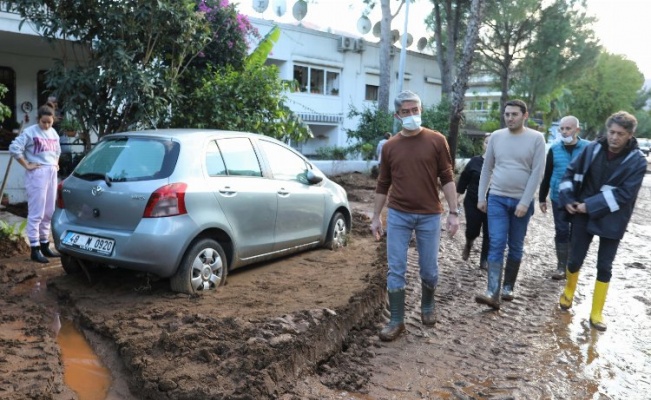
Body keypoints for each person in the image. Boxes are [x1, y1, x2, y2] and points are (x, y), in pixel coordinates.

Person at [370, 90, 459, 341]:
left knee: (429, 269)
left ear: (421, 110)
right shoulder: (390, 147)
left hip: (430, 215)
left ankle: (427, 305)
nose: (412, 115)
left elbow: (447, 177)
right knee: (396, 269)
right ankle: (396, 320)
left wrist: (454, 212)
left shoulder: (436, 140)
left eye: (415, 110)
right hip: (398, 214)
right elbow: (382, 183)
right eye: (406, 112)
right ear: (397, 115)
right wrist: (376, 217)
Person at [558, 111, 646, 331]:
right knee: (575, 258)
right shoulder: (591, 149)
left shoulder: (637, 161)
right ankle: (568, 292)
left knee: (604, 265)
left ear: (630, 135)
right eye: (611, 132)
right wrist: (568, 199)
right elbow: (570, 173)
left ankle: (596, 312)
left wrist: (591, 205)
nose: (614, 137)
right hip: (581, 212)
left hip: (613, 218)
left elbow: (625, 194)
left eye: (620, 134)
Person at [475, 99, 546, 309]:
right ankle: (492, 291)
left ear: (525, 115)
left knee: (515, 246)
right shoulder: (496, 136)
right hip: (496, 197)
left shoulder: (536, 138)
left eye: (514, 114)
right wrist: (482, 196)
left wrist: (525, 201)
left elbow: (537, 172)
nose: (510, 118)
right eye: (507, 114)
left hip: (520, 202)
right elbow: (487, 168)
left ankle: (508, 286)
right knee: (496, 242)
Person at [8, 104, 61, 263]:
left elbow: (57, 150)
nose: (46, 125)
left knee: (49, 211)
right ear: (38, 119)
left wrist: (56, 163)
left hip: (51, 172)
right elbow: (14, 148)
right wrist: (27, 165)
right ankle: (35, 248)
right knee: (36, 212)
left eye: (49, 122)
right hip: (37, 173)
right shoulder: (30, 132)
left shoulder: (53, 132)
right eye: (44, 122)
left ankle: (45, 245)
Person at [538, 116, 590, 280]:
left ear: (577, 130)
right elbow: (547, 174)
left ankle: (572, 266)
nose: (565, 131)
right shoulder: (554, 149)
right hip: (558, 196)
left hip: (580, 197)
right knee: (561, 230)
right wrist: (541, 197)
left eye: (568, 128)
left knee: (576, 232)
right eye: (562, 128)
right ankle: (561, 267)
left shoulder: (588, 148)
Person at [457, 133, 490, 270]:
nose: (490, 145)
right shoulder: (475, 161)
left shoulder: (502, 163)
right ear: (483, 144)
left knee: (490, 233)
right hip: (472, 201)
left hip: (493, 203)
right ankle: (469, 243)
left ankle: (485, 260)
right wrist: (457, 197)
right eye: (487, 142)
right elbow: (464, 180)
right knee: (472, 229)